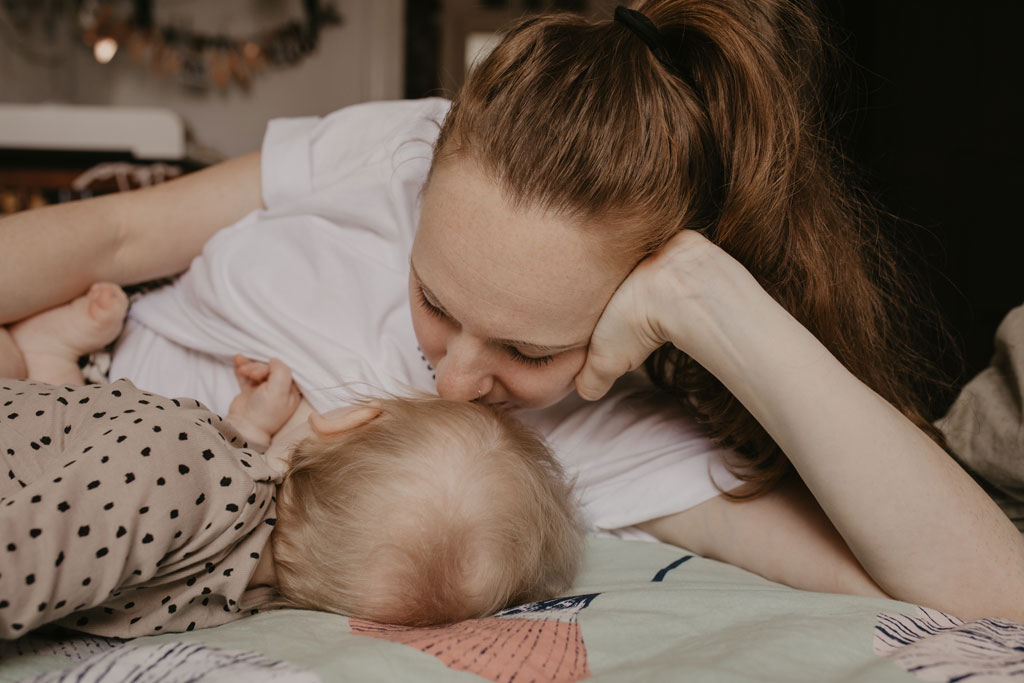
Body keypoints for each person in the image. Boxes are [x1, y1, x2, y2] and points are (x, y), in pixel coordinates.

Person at [2, 0, 1023, 623]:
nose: (451, 378)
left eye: (530, 349)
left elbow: (995, 593)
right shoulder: (394, 152)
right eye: (434, 299)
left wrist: (712, 301)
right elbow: (117, 238)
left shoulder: (619, 435)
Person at [0, 285, 583, 638]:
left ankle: (46, 353)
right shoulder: (236, 594)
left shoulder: (174, 459)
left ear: (345, 420)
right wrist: (248, 432)